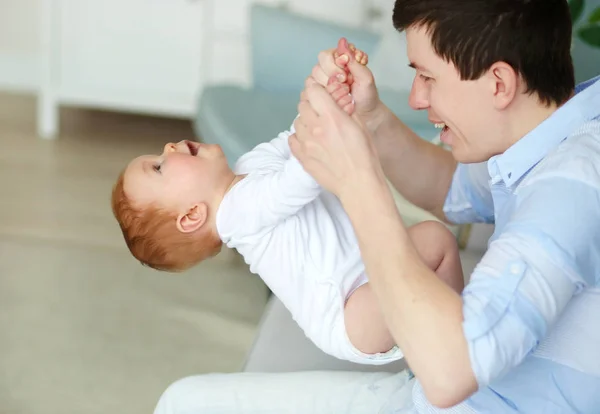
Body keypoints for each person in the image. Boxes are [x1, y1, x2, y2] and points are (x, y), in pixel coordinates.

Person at [151, 0, 600, 412]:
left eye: (427, 77)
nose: (416, 99)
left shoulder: (568, 188)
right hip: (431, 392)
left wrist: (358, 179)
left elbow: (450, 375)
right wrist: (371, 119)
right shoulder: (554, 134)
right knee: (182, 400)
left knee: (185, 405)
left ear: (499, 82)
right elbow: (453, 188)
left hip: (458, 395)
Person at [111, 40, 465, 366]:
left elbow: (294, 138)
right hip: (348, 315)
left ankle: (448, 336)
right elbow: (299, 179)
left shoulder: (250, 166)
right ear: (191, 215)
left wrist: (327, 91)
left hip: (373, 274)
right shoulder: (236, 215)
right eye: (159, 166)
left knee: (436, 241)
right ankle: (456, 346)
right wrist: (330, 116)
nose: (169, 148)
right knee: (436, 239)